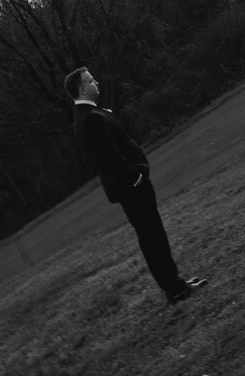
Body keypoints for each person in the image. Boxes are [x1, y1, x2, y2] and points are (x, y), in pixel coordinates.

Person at [64, 66, 207, 305]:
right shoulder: (89, 119)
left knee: (154, 235)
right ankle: (174, 289)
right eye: (90, 80)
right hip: (131, 187)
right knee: (152, 237)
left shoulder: (90, 114)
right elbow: (110, 157)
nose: (96, 82)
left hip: (130, 186)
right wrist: (136, 177)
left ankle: (175, 282)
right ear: (82, 88)